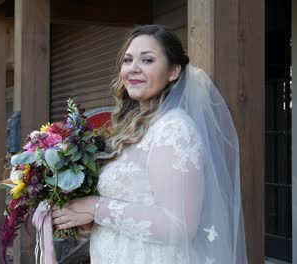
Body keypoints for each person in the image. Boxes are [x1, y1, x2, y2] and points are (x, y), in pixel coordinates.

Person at [51, 25, 248, 263]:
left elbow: (179, 226)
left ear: (174, 71)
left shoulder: (174, 130)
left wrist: (96, 207)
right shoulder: (132, 128)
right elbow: (135, 206)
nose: (133, 68)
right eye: (128, 60)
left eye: (147, 60)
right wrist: (87, 219)